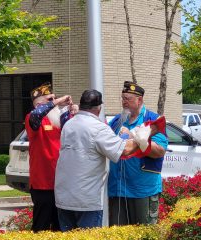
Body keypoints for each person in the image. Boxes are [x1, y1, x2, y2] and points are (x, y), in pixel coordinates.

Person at [54, 89, 141, 232]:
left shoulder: (69, 125)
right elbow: (123, 151)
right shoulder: (98, 128)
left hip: (64, 197)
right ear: (99, 108)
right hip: (86, 200)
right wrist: (141, 136)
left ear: (81, 105)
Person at [108, 81, 168, 226]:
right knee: (118, 235)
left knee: (145, 232)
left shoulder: (153, 121)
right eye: (122, 98)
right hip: (118, 189)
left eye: (127, 99)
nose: (124, 102)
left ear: (139, 100)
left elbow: (159, 151)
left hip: (143, 190)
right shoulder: (116, 121)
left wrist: (133, 137)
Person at [25, 82, 77, 232]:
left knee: (60, 227)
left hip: (60, 182)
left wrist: (72, 110)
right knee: (41, 227)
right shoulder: (33, 118)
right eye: (50, 100)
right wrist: (58, 101)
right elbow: (36, 115)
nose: (54, 103)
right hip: (43, 183)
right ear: (39, 105)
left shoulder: (56, 120)